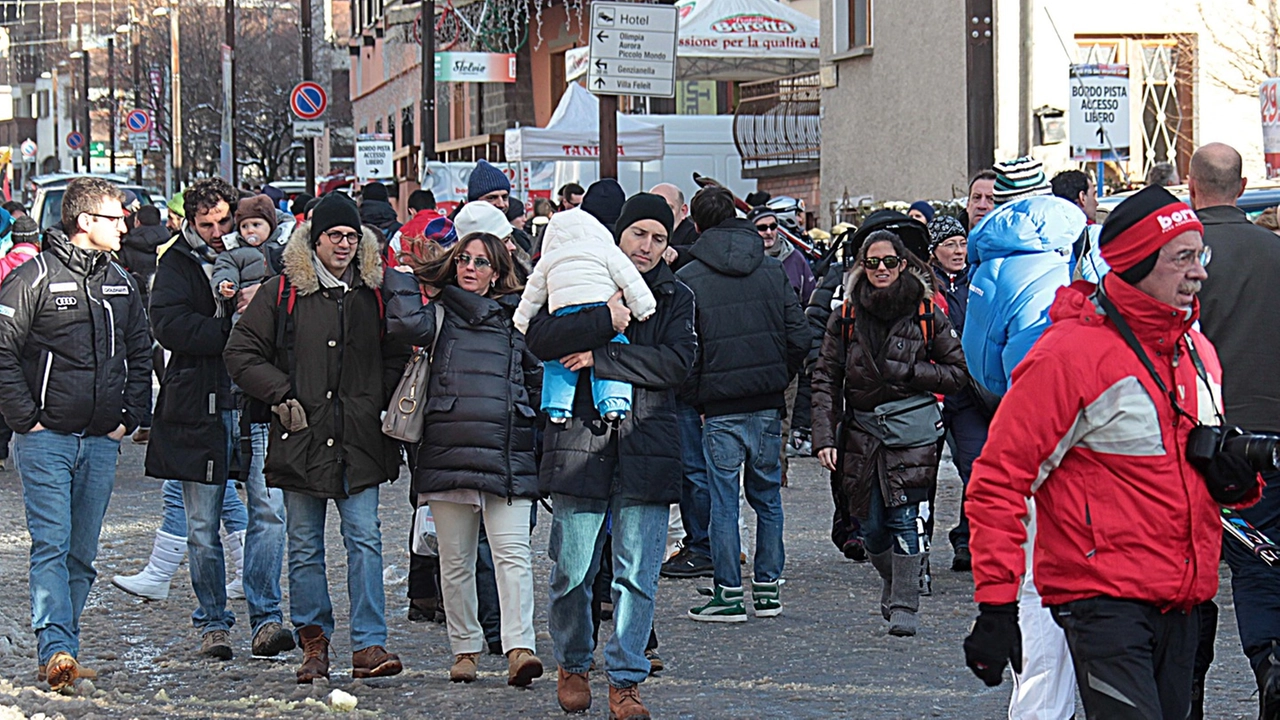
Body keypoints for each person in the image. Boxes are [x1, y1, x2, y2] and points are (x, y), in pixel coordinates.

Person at [962, 185, 1256, 720]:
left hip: (1184, 596)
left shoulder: (1196, 349)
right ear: (1140, 264)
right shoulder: (1069, 354)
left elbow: (1192, 469)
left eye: (1201, 255)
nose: (1200, 273)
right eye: (1183, 257)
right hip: (1104, 599)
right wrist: (998, 603)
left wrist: (1235, 475)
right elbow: (1000, 479)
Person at [224, 193, 407, 683]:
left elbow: (399, 351)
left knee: (365, 540)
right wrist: (281, 393)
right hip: (301, 435)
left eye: (352, 236)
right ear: (316, 239)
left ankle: (369, 643)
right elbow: (240, 352)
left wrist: (378, 399)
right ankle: (315, 644)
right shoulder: (282, 291)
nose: (344, 244)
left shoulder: (376, 290)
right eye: (335, 236)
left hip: (360, 439)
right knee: (304, 545)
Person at [525, 192, 695, 719]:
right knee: (571, 571)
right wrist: (604, 317)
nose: (646, 246)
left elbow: (678, 363)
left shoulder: (674, 296)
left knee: (637, 575)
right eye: (638, 233)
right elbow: (541, 339)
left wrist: (605, 356)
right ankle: (573, 661)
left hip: (647, 449)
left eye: (658, 238)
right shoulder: (573, 276)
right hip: (581, 445)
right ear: (618, 235)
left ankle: (625, 677)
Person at [0, 177, 151, 690]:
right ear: (86, 222)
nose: (126, 224)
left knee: (82, 552)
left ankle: (66, 643)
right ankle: (56, 649)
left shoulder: (121, 280)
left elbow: (141, 348)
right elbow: (1, 348)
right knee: (51, 544)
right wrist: (26, 417)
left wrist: (130, 416)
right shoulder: (34, 276)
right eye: (116, 217)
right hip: (46, 439)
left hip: (100, 441)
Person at [384, 230, 544, 687]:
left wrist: (529, 426)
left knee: (512, 556)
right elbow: (400, 323)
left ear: (497, 273)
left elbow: (534, 377)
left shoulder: (518, 319)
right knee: (454, 561)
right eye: (463, 260)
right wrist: (405, 272)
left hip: (506, 452)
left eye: (480, 262)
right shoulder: (436, 315)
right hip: (447, 448)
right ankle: (465, 649)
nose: (470, 268)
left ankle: (519, 647)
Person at [146, 177, 291, 661]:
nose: (215, 231)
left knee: (268, 514)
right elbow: (168, 326)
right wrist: (229, 327)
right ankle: (213, 621)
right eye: (205, 223)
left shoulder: (267, 254)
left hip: (255, 405)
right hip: (199, 405)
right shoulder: (176, 263)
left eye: (224, 221)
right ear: (190, 222)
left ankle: (267, 617)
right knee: (202, 525)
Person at [962, 193, 1083, 720]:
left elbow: (982, 364)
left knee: (1038, 583)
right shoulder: (1089, 260)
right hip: (1094, 431)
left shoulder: (993, 273)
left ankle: (1041, 705)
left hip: (1030, 423)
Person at [811, 229, 967, 636]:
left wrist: (913, 373)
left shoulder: (926, 312)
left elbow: (958, 373)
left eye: (890, 262)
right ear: (862, 265)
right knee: (871, 525)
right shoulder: (845, 315)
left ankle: (905, 603)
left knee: (905, 516)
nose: (882, 270)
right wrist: (824, 437)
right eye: (873, 262)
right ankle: (892, 579)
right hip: (862, 431)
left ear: (903, 265)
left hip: (911, 431)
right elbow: (826, 377)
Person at [676, 185, 809, 622]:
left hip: (717, 408)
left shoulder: (689, 278)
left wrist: (696, 394)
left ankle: (729, 592)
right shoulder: (772, 270)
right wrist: (777, 379)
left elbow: (687, 351)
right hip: (767, 403)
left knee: (723, 500)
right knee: (767, 497)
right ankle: (768, 588)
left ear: (696, 225)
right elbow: (799, 339)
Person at [1189, 141, 1280, 719]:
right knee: (1261, 564)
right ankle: (1270, 662)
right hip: (1267, 433)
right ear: (1243, 189)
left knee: (1187, 566)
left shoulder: (1173, 255)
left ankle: (1185, 687)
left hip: (1191, 436)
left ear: (1188, 185)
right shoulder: (1274, 252)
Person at [515, 207, 656, 423]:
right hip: (601, 304)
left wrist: (521, 322)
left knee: (559, 360)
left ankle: (557, 407)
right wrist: (643, 308)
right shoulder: (606, 251)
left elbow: (532, 296)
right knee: (616, 344)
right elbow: (630, 280)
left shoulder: (548, 260)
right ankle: (613, 402)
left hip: (562, 312)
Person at [925, 216, 986, 572]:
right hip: (932, 392)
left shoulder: (976, 282)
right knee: (922, 474)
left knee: (977, 467)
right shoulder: (922, 286)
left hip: (967, 393)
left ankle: (968, 538)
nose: (958, 251)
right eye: (950, 244)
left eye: (962, 243)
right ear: (934, 250)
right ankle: (917, 551)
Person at [211, 195, 283, 322]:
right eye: (244, 226)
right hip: (246, 308)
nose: (250, 231)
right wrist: (224, 283)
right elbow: (225, 269)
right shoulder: (234, 253)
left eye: (256, 225)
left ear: (271, 225)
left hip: (279, 307)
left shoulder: (285, 247)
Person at [648, 183, 698, 270]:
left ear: (683, 211)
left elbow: (704, 250)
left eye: (668, 208)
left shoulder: (695, 235)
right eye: (652, 208)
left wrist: (677, 253)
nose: (659, 214)